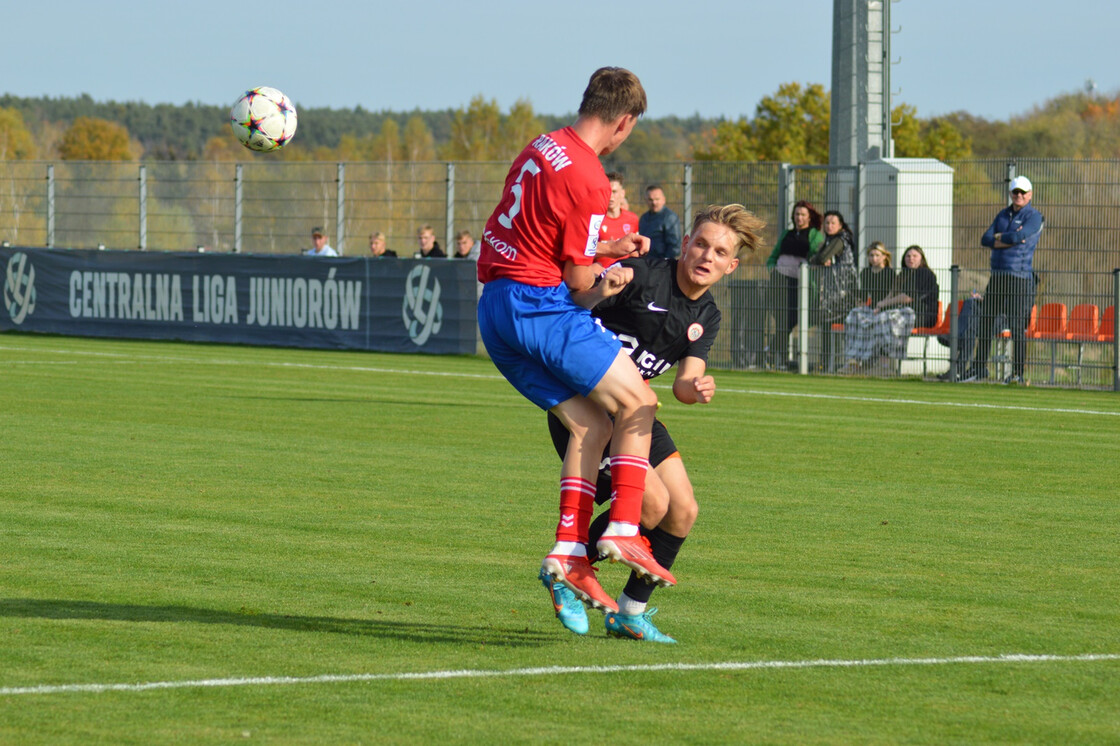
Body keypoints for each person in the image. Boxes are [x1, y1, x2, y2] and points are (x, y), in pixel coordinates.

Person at [476, 67, 674, 616]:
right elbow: (577, 280)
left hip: (495, 308)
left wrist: (606, 245)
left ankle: (570, 551)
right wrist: (605, 269)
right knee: (640, 401)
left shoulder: (542, 145)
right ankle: (624, 529)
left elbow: (554, 240)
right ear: (625, 121)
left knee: (591, 425)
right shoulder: (590, 176)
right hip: (537, 304)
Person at [541, 204, 765, 642]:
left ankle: (628, 614)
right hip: (591, 411)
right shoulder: (643, 274)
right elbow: (573, 305)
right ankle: (568, 566)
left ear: (731, 265)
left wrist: (697, 389)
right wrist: (600, 290)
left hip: (637, 412)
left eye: (720, 252)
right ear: (684, 244)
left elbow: (683, 384)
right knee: (652, 506)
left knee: (683, 511)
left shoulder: (707, 316)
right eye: (700, 243)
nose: (707, 256)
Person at [962, 175, 1044, 384]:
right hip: (997, 276)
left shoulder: (1034, 216)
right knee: (986, 322)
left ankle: (1017, 373)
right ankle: (979, 369)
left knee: (1017, 325)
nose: (1018, 195)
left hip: (1019, 277)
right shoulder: (1002, 214)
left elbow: (1020, 237)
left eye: (1022, 192)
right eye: (1015, 192)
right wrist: (1003, 237)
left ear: (1030, 195)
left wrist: (1000, 237)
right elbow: (986, 239)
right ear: (1010, 194)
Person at [843, 244, 939, 370]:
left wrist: (884, 304)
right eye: (908, 256)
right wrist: (879, 306)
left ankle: (884, 365)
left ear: (921, 258)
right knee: (857, 314)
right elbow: (892, 295)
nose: (911, 259)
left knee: (884, 318)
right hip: (899, 311)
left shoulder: (924, 273)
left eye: (915, 256)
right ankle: (854, 360)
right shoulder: (903, 275)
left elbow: (907, 297)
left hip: (921, 314)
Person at [765, 200, 823, 369]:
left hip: (800, 284)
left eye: (803, 214)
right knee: (781, 318)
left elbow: (816, 254)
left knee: (791, 319)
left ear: (809, 217)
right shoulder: (786, 234)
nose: (799, 218)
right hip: (781, 280)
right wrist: (772, 269)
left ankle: (771, 351)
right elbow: (774, 255)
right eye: (797, 214)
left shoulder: (814, 234)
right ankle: (780, 360)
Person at [812, 210, 858, 370]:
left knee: (833, 325)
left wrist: (819, 259)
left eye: (833, 223)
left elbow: (820, 258)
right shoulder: (829, 240)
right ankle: (826, 363)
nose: (829, 226)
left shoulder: (840, 240)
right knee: (826, 325)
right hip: (833, 293)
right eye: (827, 223)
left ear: (840, 225)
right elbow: (817, 258)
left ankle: (834, 363)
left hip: (843, 294)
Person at [638, 184, 682, 261]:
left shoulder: (670, 218)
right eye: (650, 200)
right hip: (645, 262)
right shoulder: (644, 218)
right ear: (646, 200)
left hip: (662, 264)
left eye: (657, 199)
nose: (654, 202)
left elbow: (675, 247)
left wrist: (664, 263)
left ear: (663, 200)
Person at [599, 172, 640, 242]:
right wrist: (608, 248)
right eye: (607, 192)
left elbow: (635, 251)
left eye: (614, 192)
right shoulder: (596, 220)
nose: (610, 196)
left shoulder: (632, 219)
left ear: (622, 193)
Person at [858, 241, 896, 307]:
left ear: (884, 256)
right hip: (870, 306)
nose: (874, 259)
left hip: (887, 306)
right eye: (871, 255)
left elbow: (892, 293)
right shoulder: (865, 272)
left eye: (877, 255)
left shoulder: (890, 272)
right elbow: (864, 294)